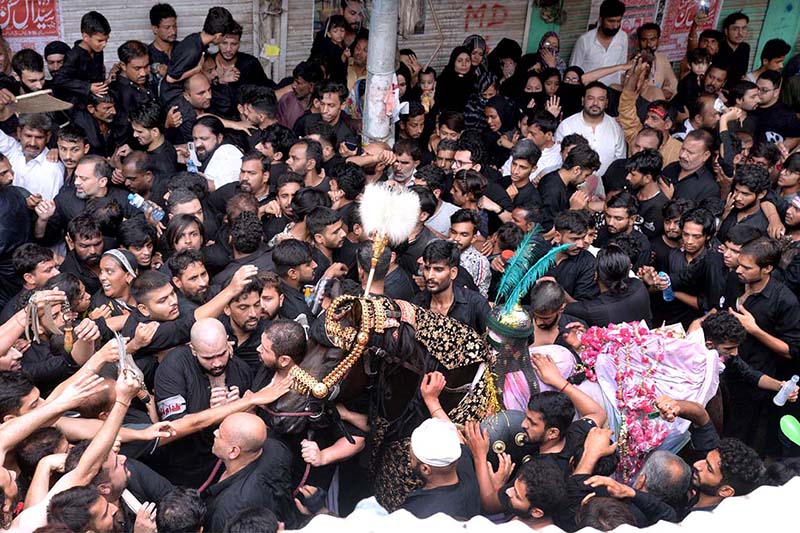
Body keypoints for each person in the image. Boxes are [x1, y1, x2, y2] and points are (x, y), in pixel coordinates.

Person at [401, 417, 480, 520]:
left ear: (425, 469)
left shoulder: (417, 513)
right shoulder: (466, 467)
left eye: (411, 458)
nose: (409, 460)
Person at [413, 239, 490, 334]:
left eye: (438, 269)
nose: (430, 276)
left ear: (453, 273)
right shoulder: (418, 303)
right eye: (427, 269)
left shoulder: (476, 304)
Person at [565, 245, 652, 326]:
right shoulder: (638, 285)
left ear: (595, 275)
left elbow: (570, 308)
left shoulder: (594, 310)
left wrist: (560, 291)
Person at [555, 81, 625, 181]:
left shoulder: (616, 127)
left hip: (606, 186)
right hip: (572, 185)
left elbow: (619, 161)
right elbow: (558, 158)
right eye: (591, 98)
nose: (595, 103)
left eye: (601, 99)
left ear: (606, 103)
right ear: (583, 100)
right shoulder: (566, 125)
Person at [52, 11, 111, 108]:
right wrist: (88, 87)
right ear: (86, 37)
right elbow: (59, 80)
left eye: (106, 40)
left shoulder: (98, 51)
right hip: (76, 103)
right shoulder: (74, 55)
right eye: (100, 41)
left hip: (95, 100)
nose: (104, 44)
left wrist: (106, 82)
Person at [0, 113, 64, 200]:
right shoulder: (13, 150)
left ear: (48, 137)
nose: (32, 143)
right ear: (19, 133)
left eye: (39, 137)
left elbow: (46, 209)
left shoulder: (53, 170)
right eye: (28, 136)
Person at [569, 0, 628, 86]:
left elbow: (621, 69)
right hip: (587, 93)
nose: (615, 26)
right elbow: (573, 71)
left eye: (618, 21)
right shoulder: (585, 40)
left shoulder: (623, 37)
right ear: (600, 19)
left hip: (611, 92)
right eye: (611, 21)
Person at [715, 12, 751, 84]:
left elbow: (742, 73)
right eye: (735, 29)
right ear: (726, 31)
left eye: (744, 28)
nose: (740, 33)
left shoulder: (745, 48)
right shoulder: (717, 47)